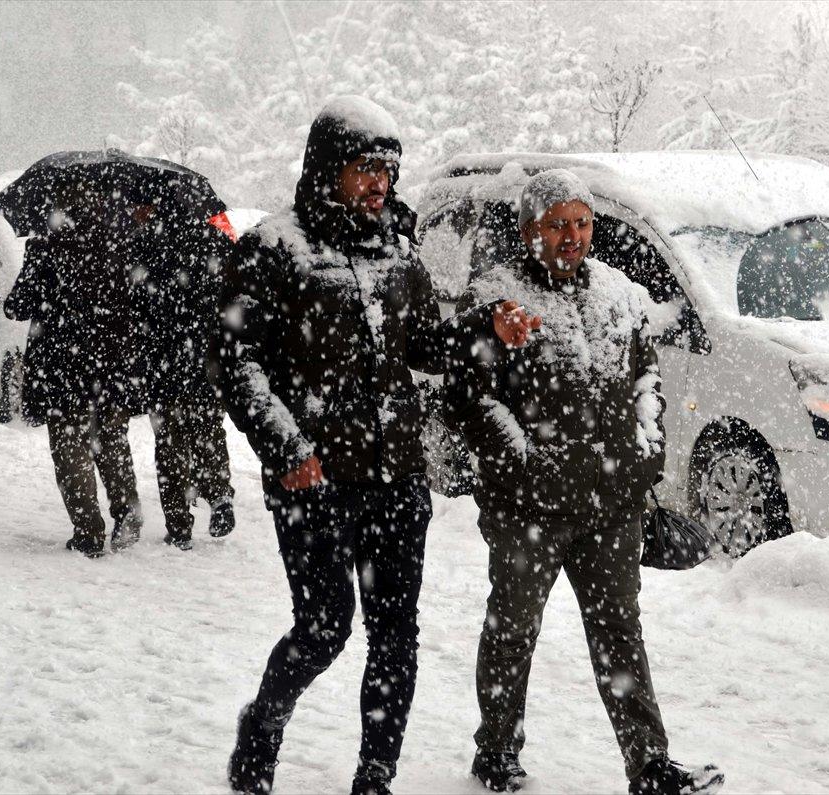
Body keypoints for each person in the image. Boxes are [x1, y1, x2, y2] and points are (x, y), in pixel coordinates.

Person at [214, 96, 534, 795]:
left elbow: (422, 342)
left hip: (395, 476)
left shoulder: (398, 251)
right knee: (325, 626)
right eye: (365, 168)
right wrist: (286, 445)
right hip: (314, 479)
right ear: (329, 168)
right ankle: (261, 727)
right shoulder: (275, 249)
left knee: (395, 634)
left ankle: (375, 774)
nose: (380, 183)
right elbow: (237, 363)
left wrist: (484, 332)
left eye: (388, 169)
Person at [446, 170, 724, 795]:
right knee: (513, 629)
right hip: (529, 508)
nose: (572, 236)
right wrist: (519, 460)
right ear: (528, 232)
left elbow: (646, 383)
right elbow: (467, 399)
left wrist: (647, 455)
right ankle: (495, 753)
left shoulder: (621, 297)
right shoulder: (498, 299)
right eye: (556, 224)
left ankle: (649, 763)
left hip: (611, 506)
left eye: (581, 223)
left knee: (619, 633)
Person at [3, 193, 144, 558]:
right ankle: (127, 513)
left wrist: (38, 282)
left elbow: (16, 306)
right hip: (111, 363)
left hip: (62, 367)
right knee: (112, 441)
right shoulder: (119, 243)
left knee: (71, 450)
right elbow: (138, 300)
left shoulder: (46, 248)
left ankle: (89, 532)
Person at [133, 205, 236, 550]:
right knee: (208, 430)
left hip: (164, 362)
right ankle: (220, 494)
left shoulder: (146, 246)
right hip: (207, 359)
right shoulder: (216, 242)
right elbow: (234, 300)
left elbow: (136, 306)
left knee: (170, 444)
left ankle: (179, 526)